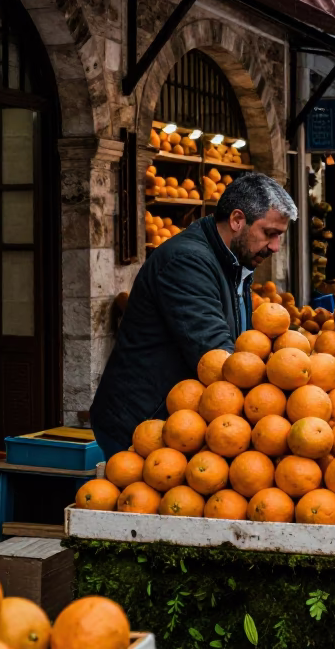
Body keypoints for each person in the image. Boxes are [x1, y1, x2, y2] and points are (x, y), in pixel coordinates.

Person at [89, 173, 296, 459]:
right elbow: (216, 354)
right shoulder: (187, 262)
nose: (275, 246)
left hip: (181, 424)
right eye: (270, 233)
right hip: (143, 425)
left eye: (280, 236)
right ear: (237, 220)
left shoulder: (236, 261)